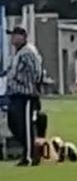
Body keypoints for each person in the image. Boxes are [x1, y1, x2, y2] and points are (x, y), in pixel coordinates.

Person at [3, 26, 43, 166]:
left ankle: (29, 156)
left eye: (15, 35)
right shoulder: (18, 53)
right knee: (14, 124)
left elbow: (36, 71)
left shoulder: (28, 52)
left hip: (26, 94)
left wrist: (33, 88)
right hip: (15, 94)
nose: (12, 38)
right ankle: (31, 148)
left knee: (24, 125)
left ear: (23, 37)